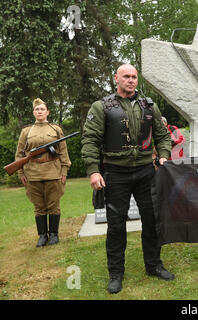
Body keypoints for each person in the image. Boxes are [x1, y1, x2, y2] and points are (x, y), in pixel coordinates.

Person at [81, 64, 174, 294]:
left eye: (134, 77)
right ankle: (116, 273)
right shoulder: (101, 106)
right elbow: (90, 140)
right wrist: (93, 170)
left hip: (145, 172)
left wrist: (163, 156)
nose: (131, 80)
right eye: (126, 76)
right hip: (115, 173)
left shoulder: (149, 105)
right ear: (116, 79)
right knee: (115, 226)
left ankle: (153, 266)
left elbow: (163, 136)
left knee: (152, 221)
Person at [15, 98, 71, 247]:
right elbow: (19, 154)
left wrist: (64, 171)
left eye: (42, 109)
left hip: (53, 172)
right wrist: (21, 173)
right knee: (39, 206)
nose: (39, 111)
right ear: (33, 112)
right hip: (32, 174)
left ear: (47, 112)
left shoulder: (56, 129)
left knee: (54, 204)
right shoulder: (26, 131)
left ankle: (54, 234)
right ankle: (42, 236)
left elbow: (63, 152)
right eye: (37, 109)